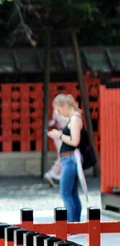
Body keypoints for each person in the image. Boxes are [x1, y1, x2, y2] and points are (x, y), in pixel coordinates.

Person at [47, 93, 83, 222]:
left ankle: (72, 224)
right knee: (72, 193)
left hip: (70, 159)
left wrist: (59, 135)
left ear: (66, 105)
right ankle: (75, 223)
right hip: (68, 158)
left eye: (59, 110)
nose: (59, 113)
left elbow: (75, 141)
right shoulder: (74, 118)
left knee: (65, 193)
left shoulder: (75, 118)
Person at [43, 109, 69, 187]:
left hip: (64, 134)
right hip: (60, 134)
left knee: (64, 156)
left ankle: (56, 176)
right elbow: (54, 122)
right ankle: (52, 174)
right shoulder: (57, 111)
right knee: (63, 156)